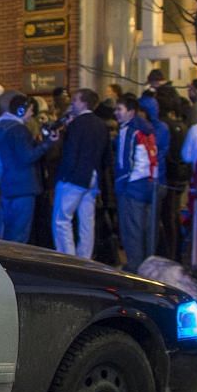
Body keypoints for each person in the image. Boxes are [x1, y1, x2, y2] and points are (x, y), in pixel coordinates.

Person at [47, 87, 107, 258]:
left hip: (73, 177)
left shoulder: (77, 124)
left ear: (83, 102)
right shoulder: (101, 124)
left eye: (75, 100)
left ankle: (67, 258)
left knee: (62, 220)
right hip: (93, 176)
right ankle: (85, 259)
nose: (72, 103)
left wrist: (63, 176)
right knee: (87, 221)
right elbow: (105, 155)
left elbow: (70, 153)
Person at [112, 93, 158, 273]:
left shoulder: (129, 131)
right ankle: (146, 266)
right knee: (145, 229)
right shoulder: (146, 129)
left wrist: (123, 183)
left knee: (132, 230)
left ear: (131, 112)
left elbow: (127, 162)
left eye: (119, 109)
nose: (116, 113)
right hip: (147, 185)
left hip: (132, 186)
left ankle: (135, 268)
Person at [0, 91, 42, 244]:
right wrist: (45, 144)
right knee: (19, 234)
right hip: (22, 186)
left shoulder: (1, 126)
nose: (32, 113)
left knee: (6, 230)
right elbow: (27, 157)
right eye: (30, 109)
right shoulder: (18, 129)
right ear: (20, 110)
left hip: (7, 185)